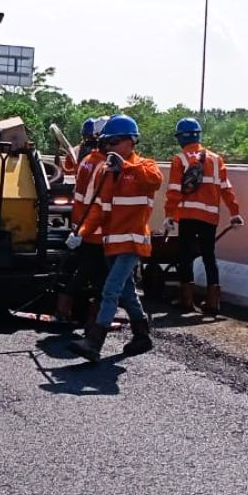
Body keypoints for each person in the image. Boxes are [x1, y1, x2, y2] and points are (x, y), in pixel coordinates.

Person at [66, 114, 163, 362]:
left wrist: (125, 166)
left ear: (131, 141)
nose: (109, 148)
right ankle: (142, 336)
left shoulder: (145, 166)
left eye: (114, 142)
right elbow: (98, 210)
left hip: (133, 242)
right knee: (127, 293)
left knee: (110, 290)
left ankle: (94, 342)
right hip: (111, 243)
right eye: (107, 143)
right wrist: (81, 233)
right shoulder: (106, 173)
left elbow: (155, 180)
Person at [163, 117, 244, 314]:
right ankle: (213, 302)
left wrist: (169, 215)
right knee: (209, 256)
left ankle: (186, 300)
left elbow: (174, 190)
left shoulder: (180, 159)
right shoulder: (216, 159)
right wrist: (235, 212)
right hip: (210, 217)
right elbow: (226, 189)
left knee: (185, 256)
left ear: (181, 137)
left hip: (188, 215)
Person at [56, 118, 109, 323]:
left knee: (83, 269)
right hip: (94, 229)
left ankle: (67, 309)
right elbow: (98, 204)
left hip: (81, 223)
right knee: (95, 274)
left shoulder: (86, 160)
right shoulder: (102, 165)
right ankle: (92, 317)